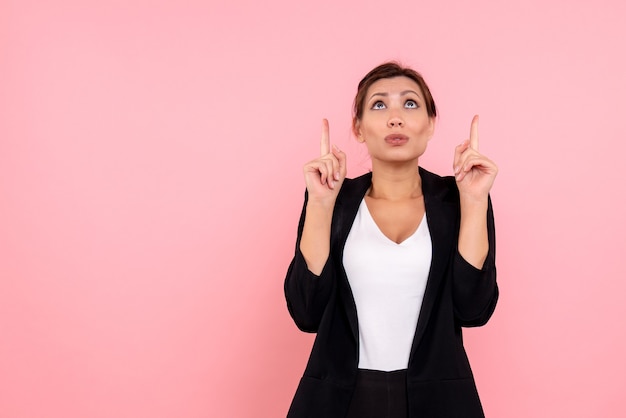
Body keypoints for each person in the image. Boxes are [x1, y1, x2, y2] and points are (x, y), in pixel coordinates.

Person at [284, 62, 498, 418]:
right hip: (340, 401)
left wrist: (474, 202)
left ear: (430, 124)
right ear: (358, 128)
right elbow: (306, 313)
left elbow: (474, 309)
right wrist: (321, 205)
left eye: (410, 104)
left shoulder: (460, 198)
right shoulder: (331, 199)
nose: (395, 118)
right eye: (379, 105)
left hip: (439, 402)